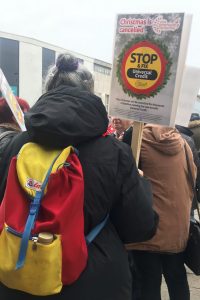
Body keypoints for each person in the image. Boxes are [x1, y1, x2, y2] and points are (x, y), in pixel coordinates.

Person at [0, 53, 158, 300]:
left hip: (19, 277)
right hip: (95, 282)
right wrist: (141, 184)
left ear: (48, 89)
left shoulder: (15, 145)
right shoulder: (114, 152)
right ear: (90, 91)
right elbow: (141, 227)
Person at [128, 124, 196, 300]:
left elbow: (127, 180)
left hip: (147, 227)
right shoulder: (183, 142)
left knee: (148, 282)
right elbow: (192, 178)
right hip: (176, 226)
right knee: (177, 277)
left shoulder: (136, 139)